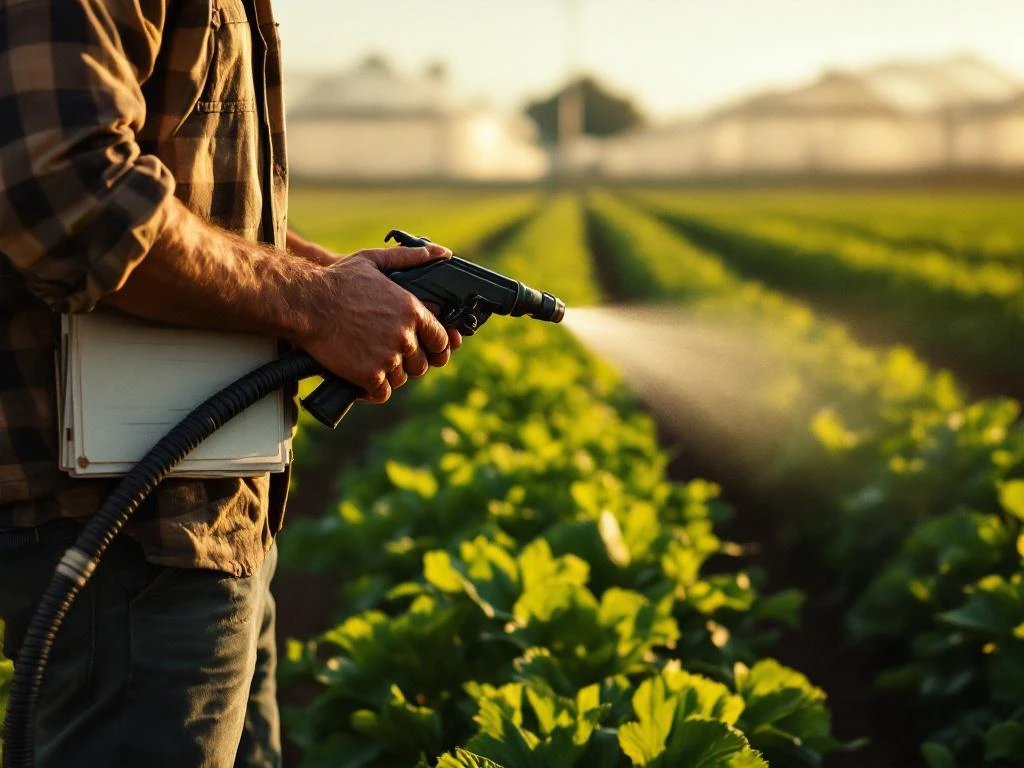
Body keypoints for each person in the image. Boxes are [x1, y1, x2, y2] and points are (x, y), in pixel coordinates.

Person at [0, 1, 461, 765]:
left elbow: (193, 200)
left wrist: (326, 277)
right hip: (124, 532)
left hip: (212, 518)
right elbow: (64, 191)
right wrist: (319, 304)